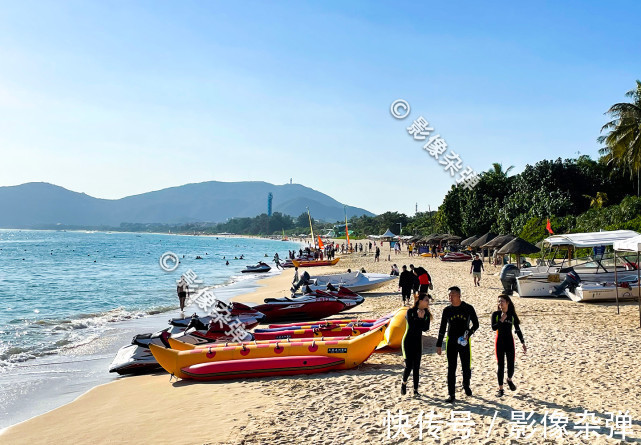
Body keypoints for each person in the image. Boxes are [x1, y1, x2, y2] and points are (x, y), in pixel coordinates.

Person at [436, 286, 479, 403]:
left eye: (452, 295)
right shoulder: (447, 310)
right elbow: (442, 327)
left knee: (466, 366)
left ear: (459, 295)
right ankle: (451, 394)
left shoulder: (468, 308)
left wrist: (469, 333)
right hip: (451, 341)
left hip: (464, 341)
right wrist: (439, 344)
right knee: (451, 368)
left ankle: (466, 385)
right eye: (449, 295)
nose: (450, 297)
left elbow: (476, 324)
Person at [492, 295, 527, 397]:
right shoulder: (496, 314)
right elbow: (494, 328)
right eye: (499, 302)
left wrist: (523, 342)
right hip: (499, 342)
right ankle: (501, 389)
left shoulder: (512, 315)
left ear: (507, 302)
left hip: (509, 342)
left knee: (511, 364)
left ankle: (509, 379)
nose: (500, 303)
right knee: (500, 365)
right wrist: (501, 320)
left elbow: (517, 329)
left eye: (502, 301)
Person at [400, 293, 432, 397]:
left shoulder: (426, 314)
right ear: (420, 300)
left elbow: (425, 328)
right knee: (409, 366)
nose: (428, 302)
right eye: (426, 300)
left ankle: (415, 390)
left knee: (417, 367)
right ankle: (404, 383)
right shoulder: (410, 312)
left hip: (418, 342)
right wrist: (419, 318)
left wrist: (422, 318)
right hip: (408, 341)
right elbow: (412, 326)